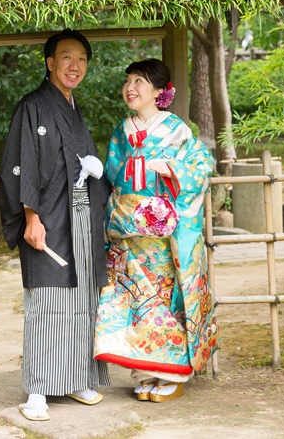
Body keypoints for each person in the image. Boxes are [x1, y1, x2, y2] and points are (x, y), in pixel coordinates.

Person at [0, 29, 111, 422]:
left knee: (82, 299)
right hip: (47, 217)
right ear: (50, 63)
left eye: (81, 58)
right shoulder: (33, 106)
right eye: (66, 57)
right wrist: (30, 217)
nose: (74, 66)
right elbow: (21, 163)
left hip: (80, 215)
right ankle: (38, 391)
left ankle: (77, 378)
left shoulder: (74, 109)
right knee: (48, 302)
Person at [93, 59, 219, 403]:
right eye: (128, 81)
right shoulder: (121, 131)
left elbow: (203, 167)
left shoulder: (177, 130)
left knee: (164, 301)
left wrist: (173, 169)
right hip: (127, 230)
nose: (130, 88)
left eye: (140, 81)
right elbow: (113, 180)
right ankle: (147, 371)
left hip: (163, 235)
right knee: (138, 304)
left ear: (160, 91)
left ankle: (172, 373)